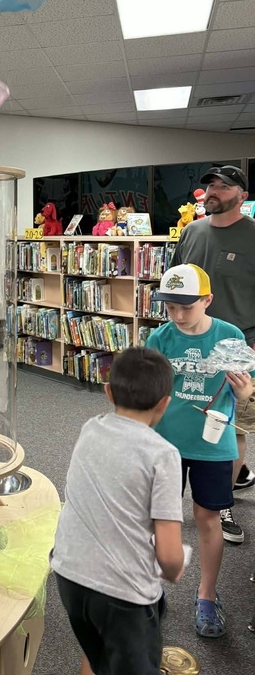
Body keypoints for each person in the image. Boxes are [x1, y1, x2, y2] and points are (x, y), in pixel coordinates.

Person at [51, 346, 186, 675]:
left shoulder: (90, 428)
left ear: (108, 391)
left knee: (95, 653)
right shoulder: (163, 455)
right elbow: (169, 557)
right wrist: (175, 568)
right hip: (123, 595)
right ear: (165, 404)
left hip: (68, 574)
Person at [146, 263, 253, 637]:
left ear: (207, 299)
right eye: (169, 306)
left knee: (208, 519)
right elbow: (149, 393)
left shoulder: (230, 335)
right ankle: (152, 588)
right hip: (164, 446)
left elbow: (247, 396)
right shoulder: (159, 338)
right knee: (161, 519)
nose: (176, 315)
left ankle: (206, 594)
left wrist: (244, 393)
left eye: (185, 307)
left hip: (213, 446)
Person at [172, 164, 255, 543]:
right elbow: (172, 283)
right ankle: (167, 502)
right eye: (209, 186)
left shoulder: (252, 236)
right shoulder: (191, 231)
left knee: (231, 424)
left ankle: (222, 504)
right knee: (178, 415)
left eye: (223, 186)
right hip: (186, 339)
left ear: (242, 194)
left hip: (237, 345)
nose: (212, 192)